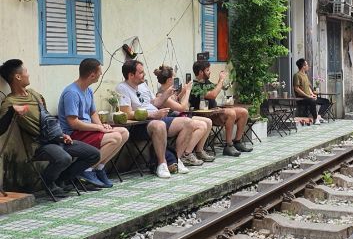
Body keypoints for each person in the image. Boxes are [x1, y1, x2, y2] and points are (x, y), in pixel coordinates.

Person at [0, 59, 100, 198]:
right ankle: (48, 183)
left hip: (56, 139)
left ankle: (61, 179)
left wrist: (61, 135)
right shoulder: (10, 102)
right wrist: (12, 110)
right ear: (18, 76)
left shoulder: (35, 94)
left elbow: (48, 121)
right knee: (64, 158)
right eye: (26, 71)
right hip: (39, 144)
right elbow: (1, 129)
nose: (28, 74)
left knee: (93, 154)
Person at [116, 60, 208, 178]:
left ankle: (176, 159)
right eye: (141, 72)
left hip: (156, 117)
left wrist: (166, 94)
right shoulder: (122, 88)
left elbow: (155, 102)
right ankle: (162, 164)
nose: (144, 74)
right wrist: (152, 115)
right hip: (140, 124)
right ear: (131, 75)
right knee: (159, 125)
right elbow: (127, 114)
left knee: (188, 123)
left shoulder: (143, 85)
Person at [58, 59, 129, 188]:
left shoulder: (88, 90)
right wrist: (98, 128)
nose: (101, 74)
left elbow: (93, 113)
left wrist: (101, 126)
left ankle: (99, 167)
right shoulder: (72, 93)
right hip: (73, 134)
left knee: (124, 133)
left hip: (86, 130)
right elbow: (73, 123)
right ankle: (87, 169)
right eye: (99, 72)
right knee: (115, 137)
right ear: (92, 75)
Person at [188, 60, 252, 157]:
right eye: (207, 70)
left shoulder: (207, 82)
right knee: (231, 113)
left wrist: (220, 81)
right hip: (205, 115)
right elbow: (212, 95)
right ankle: (228, 145)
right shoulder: (195, 85)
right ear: (201, 72)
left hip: (215, 111)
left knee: (243, 112)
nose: (210, 72)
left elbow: (215, 89)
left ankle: (237, 142)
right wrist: (221, 80)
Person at [154, 65, 215, 162]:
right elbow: (182, 108)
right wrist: (188, 91)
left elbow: (176, 101)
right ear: (169, 80)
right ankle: (186, 154)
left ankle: (199, 151)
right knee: (202, 125)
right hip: (172, 121)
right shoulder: (162, 95)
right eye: (174, 77)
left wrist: (183, 92)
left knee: (208, 122)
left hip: (179, 117)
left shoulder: (169, 91)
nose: (175, 79)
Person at [293, 58, 330, 125]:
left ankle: (319, 116)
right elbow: (296, 89)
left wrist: (312, 94)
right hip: (301, 98)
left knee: (326, 101)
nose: (308, 66)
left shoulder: (305, 75)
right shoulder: (297, 75)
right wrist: (308, 96)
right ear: (303, 66)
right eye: (306, 64)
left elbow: (308, 87)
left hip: (309, 97)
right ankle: (315, 119)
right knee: (312, 101)